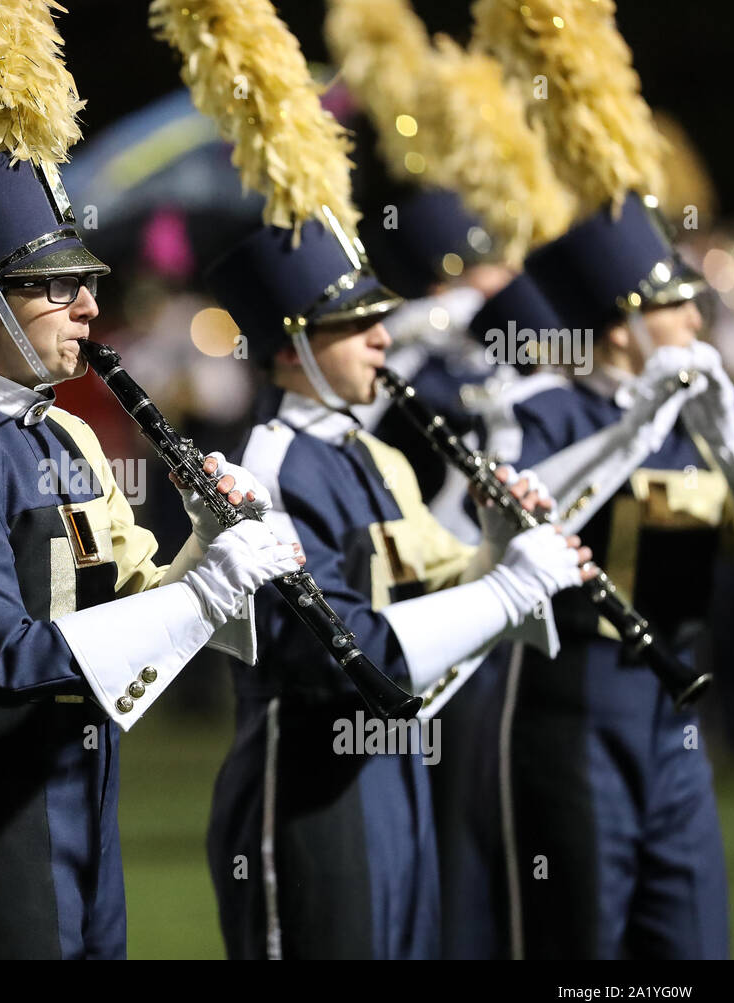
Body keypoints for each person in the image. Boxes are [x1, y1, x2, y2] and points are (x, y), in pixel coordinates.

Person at [0, 157, 304, 959]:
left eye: (87, 283)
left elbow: (146, 603)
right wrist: (202, 592)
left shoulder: (70, 438)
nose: (90, 307)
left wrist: (210, 545)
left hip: (91, 794)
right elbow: (0, 657)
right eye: (57, 286)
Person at [202, 216, 595, 960]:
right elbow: (345, 654)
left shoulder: (372, 457)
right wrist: (508, 591)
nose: (383, 337)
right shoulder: (270, 468)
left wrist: (501, 546)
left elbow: (424, 593)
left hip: (394, 771)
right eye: (355, 324)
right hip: (313, 786)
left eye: (380, 317)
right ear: (290, 348)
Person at [486, 196, 734, 959]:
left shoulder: (700, 418)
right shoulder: (536, 408)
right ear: (622, 325)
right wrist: (634, 432)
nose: (696, 322)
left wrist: (723, 429)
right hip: (578, 699)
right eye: (675, 306)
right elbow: (513, 521)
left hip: (677, 701)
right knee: (584, 941)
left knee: (690, 937)